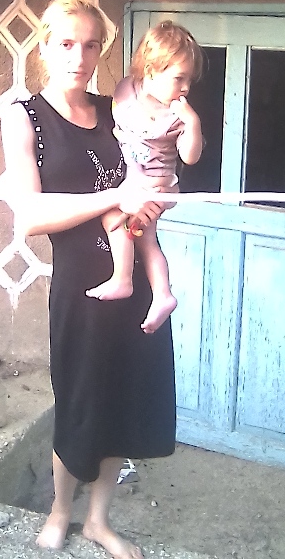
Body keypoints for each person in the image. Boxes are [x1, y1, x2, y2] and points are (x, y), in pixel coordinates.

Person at [0, 0, 176, 559]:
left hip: (135, 284)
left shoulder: (117, 110)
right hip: (80, 288)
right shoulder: (26, 116)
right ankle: (60, 511)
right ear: (45, 46)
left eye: (92, 44)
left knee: (119, 400)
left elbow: (155, 167)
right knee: (77, 402)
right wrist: (116, 195)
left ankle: (98, 521)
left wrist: (153, 198)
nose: (79, 56)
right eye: (66, 43)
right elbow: (30, 217)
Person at [86, 22, 203, 335]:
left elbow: (190, 157)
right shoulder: (129, 90)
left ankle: (123, 279)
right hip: (136, 180)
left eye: (189, 80)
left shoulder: (177, 116)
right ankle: (162, 294)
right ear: (150, 70)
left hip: (157, 184)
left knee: (114, 218)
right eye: (179, 78)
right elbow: (118, 113)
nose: (186, 88)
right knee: (146, 240)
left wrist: (192, 124)